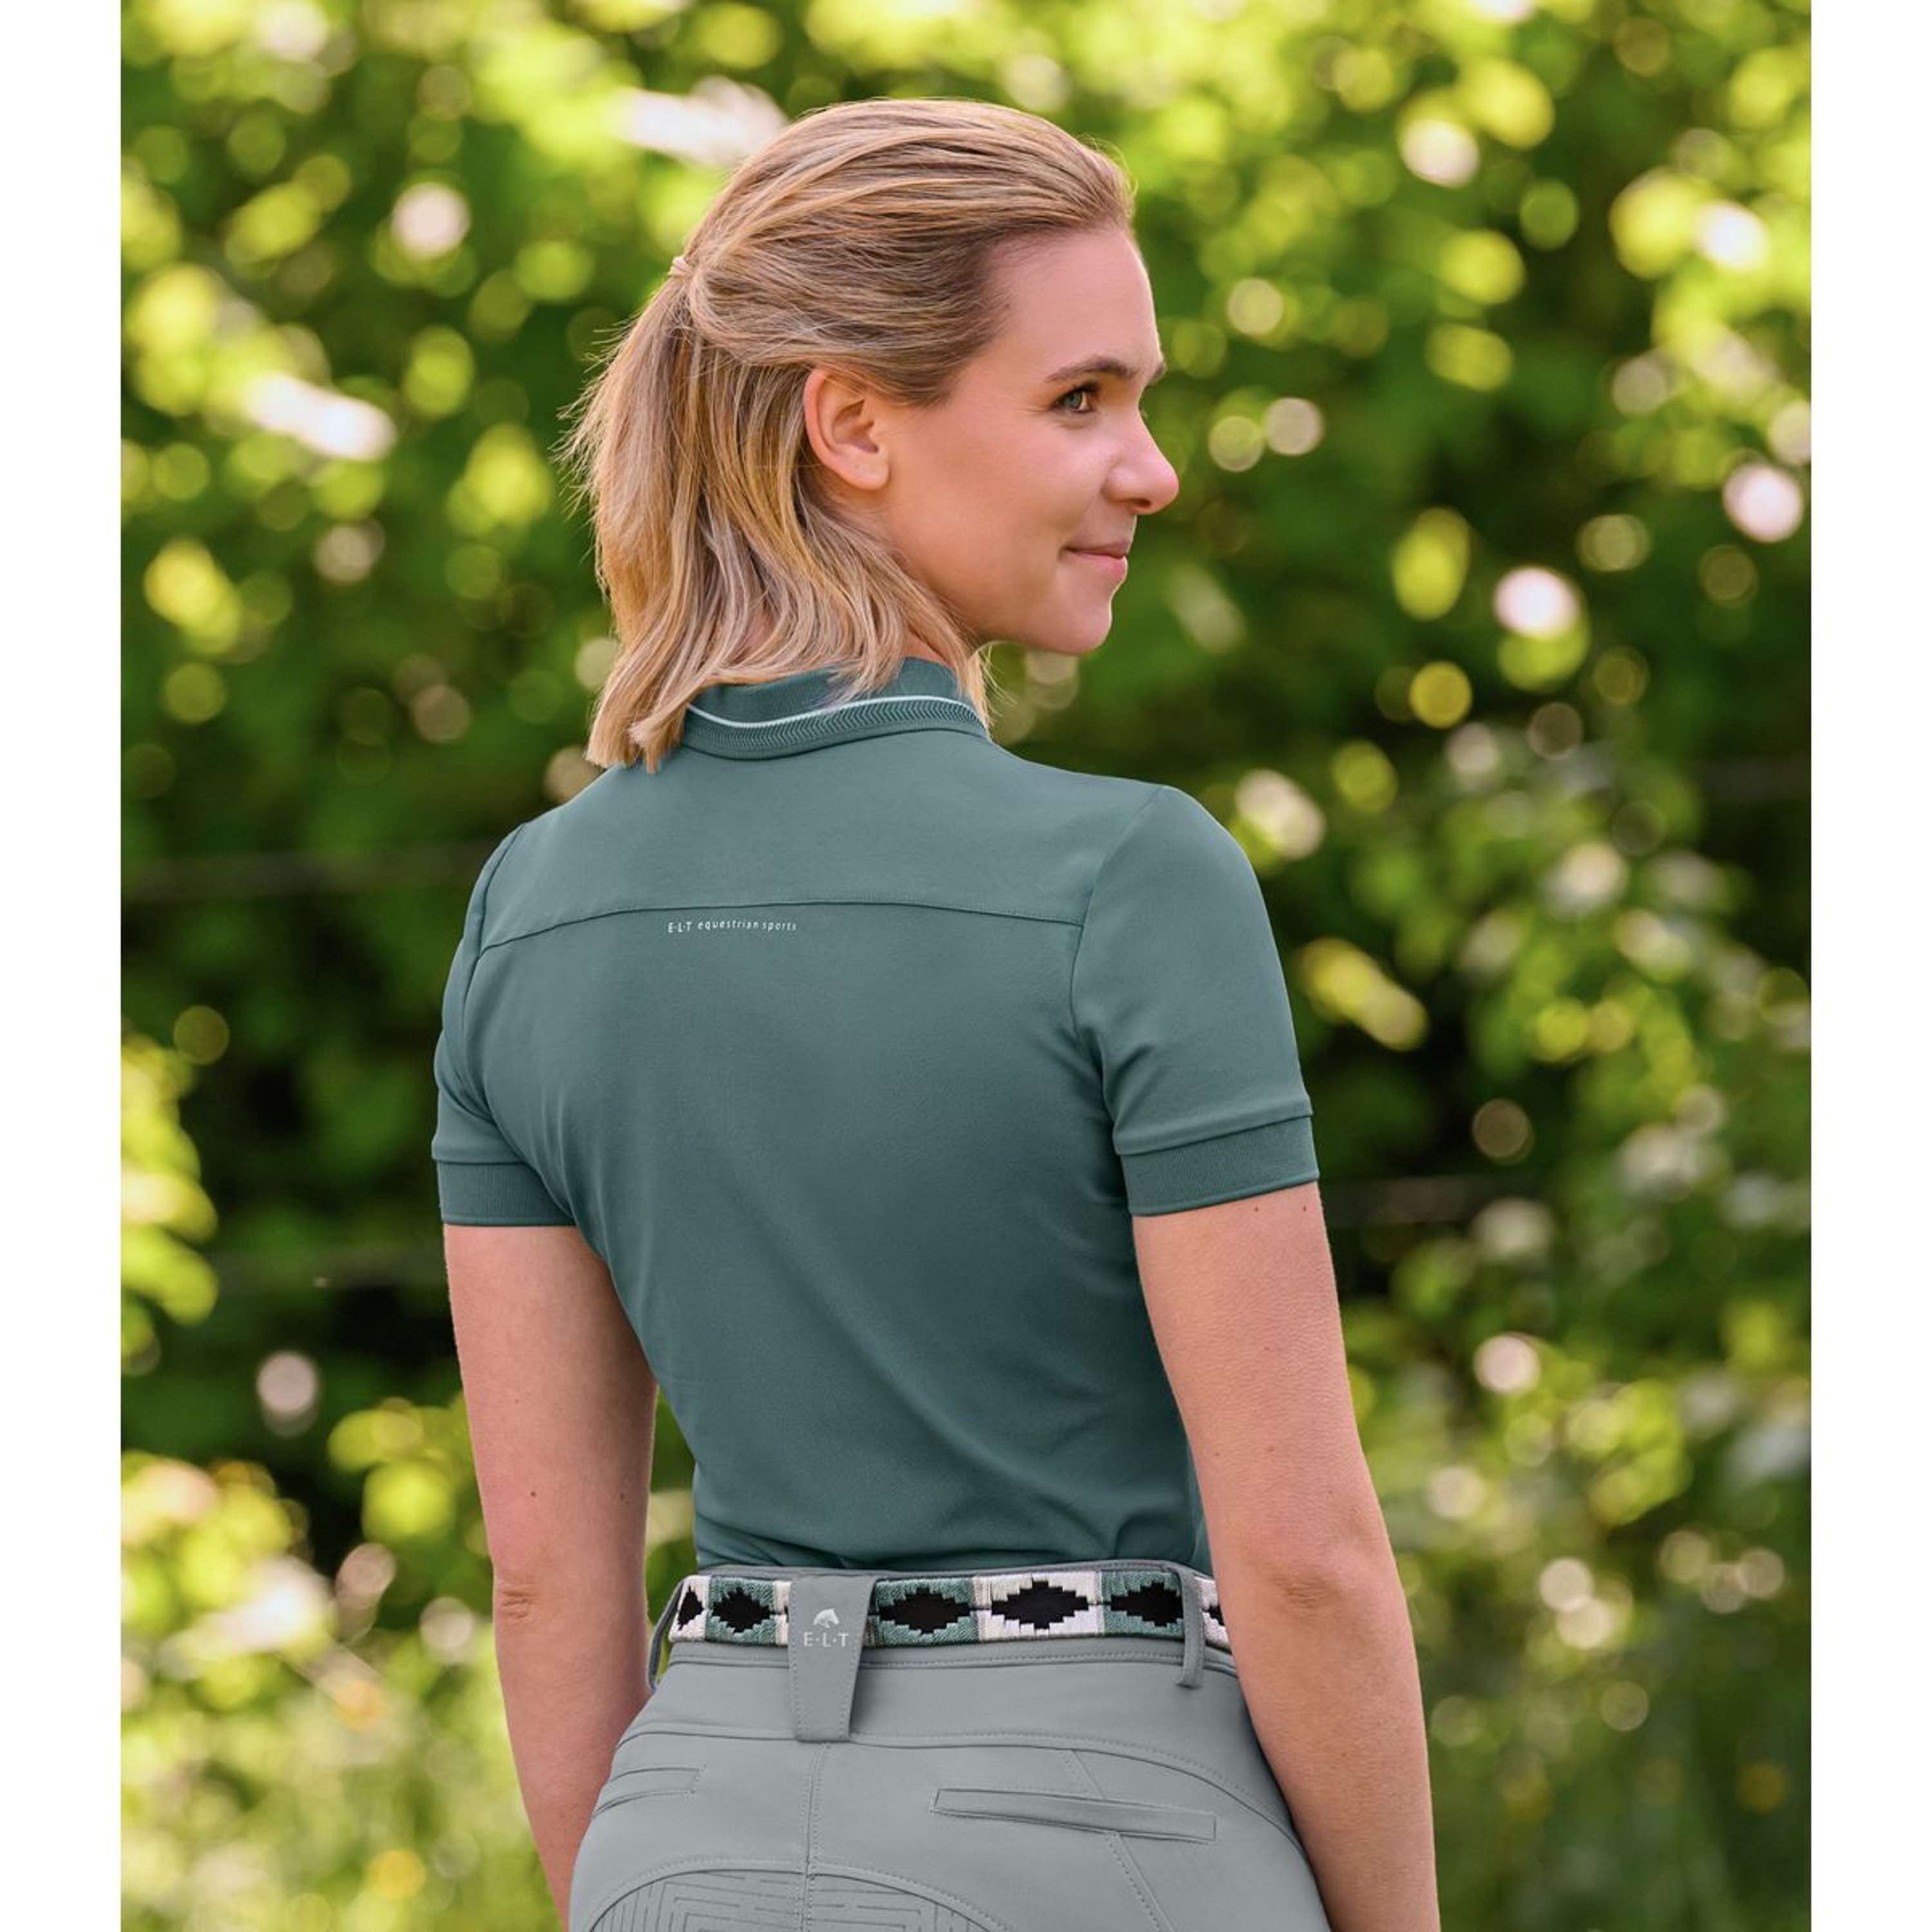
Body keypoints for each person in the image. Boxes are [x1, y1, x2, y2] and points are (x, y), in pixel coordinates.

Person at [433, 96, 1439, 1932]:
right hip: (1105, 1839)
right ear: (854, 426)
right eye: (1081, 400)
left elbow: (548, 1591)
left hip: (685, 1837)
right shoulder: (1131, 880)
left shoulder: (531, 911)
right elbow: (1303, 1560)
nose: (1152, 471)